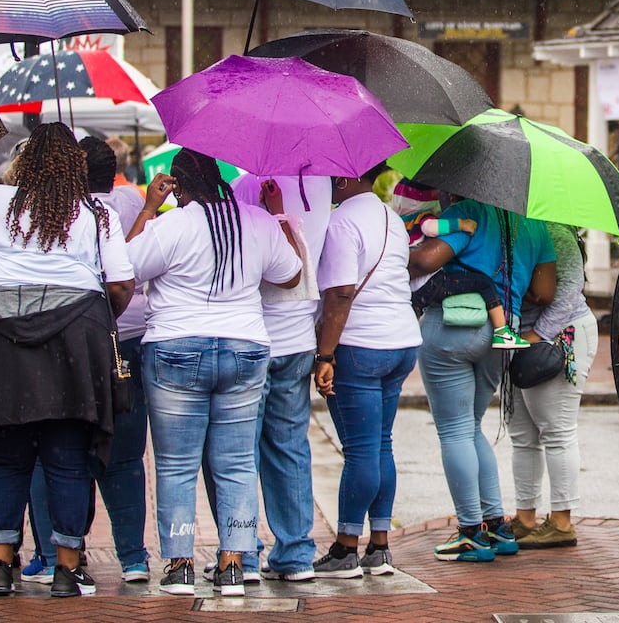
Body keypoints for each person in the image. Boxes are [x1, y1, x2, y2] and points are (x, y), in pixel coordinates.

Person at [0, 115, 136, 600]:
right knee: (66, 459)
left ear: (25, 163)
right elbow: (122, 284)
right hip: (74, 343)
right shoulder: (96, 214)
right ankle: (67, 571)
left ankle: (0, 566)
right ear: (74, 166)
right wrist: (96, 315)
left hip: (2, 343)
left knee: (7, 459)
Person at [125, 150, 302, 597]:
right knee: (238, 463)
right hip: (245, 347)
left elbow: (124, 269)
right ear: (219, 179)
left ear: (178, 186)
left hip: (175, 348)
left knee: (176, 463)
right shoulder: (255, 222)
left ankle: (181, 564)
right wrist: (276, 216)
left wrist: (148, 208)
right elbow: (291, 274)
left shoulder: (172, 224)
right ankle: (232, 564)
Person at [22, 137, 151, 584]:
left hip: (67, 339)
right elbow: (125, 276)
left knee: (52, 452)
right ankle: (134, 558)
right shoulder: (132, 202)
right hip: (126, 340)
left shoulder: (58, 211)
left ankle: (47, 553)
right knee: (127, 456)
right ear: (114, 171)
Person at [408, 199, 555, 563]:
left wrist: (403, 248)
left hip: (454, 325)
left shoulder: (468, 212)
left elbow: (426, 261)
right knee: (471, 427)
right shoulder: (536, 224)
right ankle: (496, 525)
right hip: (505, 331)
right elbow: (546, 291)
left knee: (455, 431)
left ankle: (471, 532)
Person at [211, 171, 332, 584]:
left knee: (241, 451)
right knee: (290, 446)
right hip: (299, 337)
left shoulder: (248, 186)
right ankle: (296, 554)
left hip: (256, 333)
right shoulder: (322, 184)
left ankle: (242, 555)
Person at [309, 164, 419, 578]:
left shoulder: (341, 221)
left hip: (360, 344)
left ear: (343, 178)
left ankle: (344, 549)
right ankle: (379, 545)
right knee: (380, 444)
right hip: (401, 340)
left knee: (358, 449)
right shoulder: (391, 216)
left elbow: (339, 293)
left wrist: (325, 355)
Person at [507, 223, 596, 550]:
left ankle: (561, 521)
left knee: (556, 430)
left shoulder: (555, 229)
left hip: (561, 335)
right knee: (523, 435)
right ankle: (525, 517)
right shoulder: (512, 225)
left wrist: (539, 333)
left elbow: (570, 286)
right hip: (522, 338)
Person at [392, 178, 527, 348]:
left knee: (413, 314)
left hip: (415, 288)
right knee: (484, 283)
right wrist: (461, 224)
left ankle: (402, 338)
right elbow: (430, 230)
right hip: (433, 283)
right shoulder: (427, 217)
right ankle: (502, 332)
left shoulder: (399, 222)